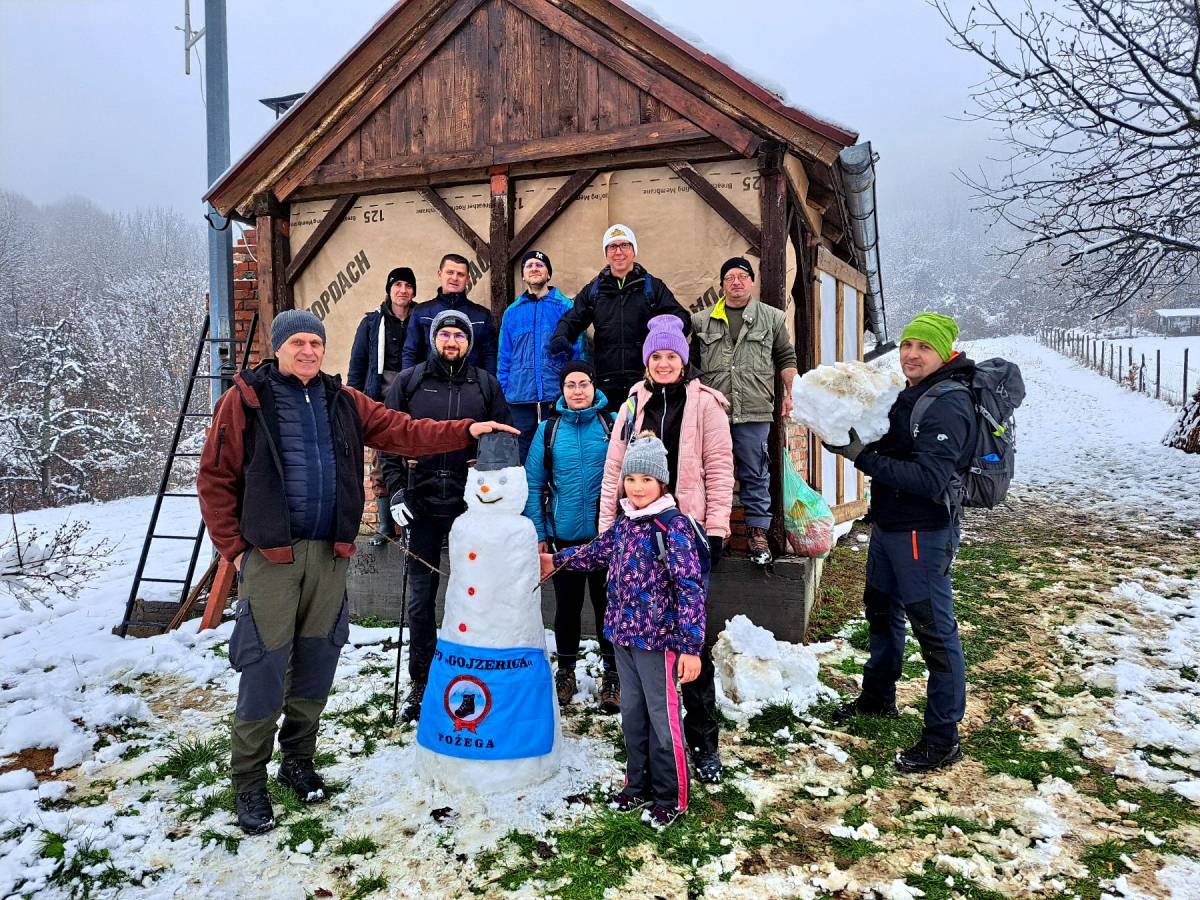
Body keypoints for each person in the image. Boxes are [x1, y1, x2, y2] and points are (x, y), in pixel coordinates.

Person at [197, 308, 516, 836]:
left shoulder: (341, 400)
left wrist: (467, 429)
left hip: (330, 554)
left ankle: (298, 760)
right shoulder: (247, 399)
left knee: (317, 661)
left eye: (315, 343)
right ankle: (249, 782)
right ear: (278, 348)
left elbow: (403, 430)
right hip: (271, 558)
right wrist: (234, 550)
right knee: (264, 667)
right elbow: (215, 477)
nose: (308, 351)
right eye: (297, 343)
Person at [825, 312, 976, 773]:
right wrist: (843, 434)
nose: (911, 354)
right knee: (880, 611)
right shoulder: (912, 393)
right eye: (907, 344)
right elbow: (892, 448)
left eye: (923, 347)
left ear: (944, 353)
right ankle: (877, 697)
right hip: (890, 527)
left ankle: (942, 737)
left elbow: (929, 479)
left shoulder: (949, 404)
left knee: (934, 631)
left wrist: (860, 457)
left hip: (922, 532)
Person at [540, 433, 704, 829]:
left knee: (662, 718)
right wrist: (555, 561)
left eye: (646, 480)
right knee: (632, 714)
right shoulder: (626, 523)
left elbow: (690, 588)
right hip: (623, 637)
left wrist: (690, 647)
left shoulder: (673, 527)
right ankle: (637, 784)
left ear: (661, 483)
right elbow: (595, 552)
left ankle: (670, 796)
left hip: (659, 642)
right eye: (631, 479)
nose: (637, 487)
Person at [598, 315, 734, 785]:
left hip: (685, 533)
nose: (663, 363)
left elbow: (720, 466)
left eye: (671, 356)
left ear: (683, 359)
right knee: (647, 646)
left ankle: (703, 741)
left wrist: (715, 529)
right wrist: (608, 530)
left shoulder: (706, 404)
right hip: (636, 533)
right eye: (655, 356)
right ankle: (654, 743)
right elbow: (615, 470)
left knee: (690, 640)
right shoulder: (632, 404)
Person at [382, 310, 513, 724]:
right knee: (420, 600)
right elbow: (388, 439)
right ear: (434, 339)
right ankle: (422, 679)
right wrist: (395, 490)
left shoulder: (485, 384)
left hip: (469, 507)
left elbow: (502, 445)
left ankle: (473, 669)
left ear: (468, 343)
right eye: (445, 334)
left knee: (475, 594)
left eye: (459, 335)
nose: (452, 341)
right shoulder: (410, 381)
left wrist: (493, 500)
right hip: (420, 504)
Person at [691, 257, 798, 567]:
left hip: (754, 409)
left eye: (742, 276)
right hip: (714, 412)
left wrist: (791, 393)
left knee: (755, 473)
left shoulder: (772, 318)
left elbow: (786, 357)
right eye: (730, 277)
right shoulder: (701, 321)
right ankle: (717, 534)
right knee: (712, 475)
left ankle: (757, 534)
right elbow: (692, 366)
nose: (736, 282)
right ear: (722, 284)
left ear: (752, 282)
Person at [522, 361, 617, 713]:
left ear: (594, 387)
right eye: (570, 385)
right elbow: (533, 484)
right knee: (567, 607)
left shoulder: (612, 425)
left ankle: (613, 675)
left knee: (609, 607)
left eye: (583, 384)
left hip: (607, 538)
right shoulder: (548, 430)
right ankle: (565, 672)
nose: (578, 391)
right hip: (565, 538)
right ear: (562, 390)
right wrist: (540, 532)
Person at [549, 224, 690, 413]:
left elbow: (680, 317)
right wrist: (561, 335)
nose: (618, 252)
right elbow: (573, 318)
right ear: (606, 253)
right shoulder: (594, 290)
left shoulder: (652, 287)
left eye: (624, 245)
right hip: (606, 381)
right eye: (612, 247)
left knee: (645, 429)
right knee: (612, 430)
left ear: (634, 251)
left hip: (644, 378)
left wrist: (665, 332)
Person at [348, 266, 417, 544]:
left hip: (413, 396)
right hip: (381, 397)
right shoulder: (371, 323)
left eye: (408, 286)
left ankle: (413, 526)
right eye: (397, 284)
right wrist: (353, 402)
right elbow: (357, 365)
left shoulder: (421, 319)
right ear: (389, 289)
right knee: (381, 462)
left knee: (414, 460)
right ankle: (387, 527)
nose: (403, 290)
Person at [498, 250, 587, 461]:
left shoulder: (566, 307)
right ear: (523, 275)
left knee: (559, 458)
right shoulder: (512, 312)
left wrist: (577, 389)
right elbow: (504, 357)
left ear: (548, 274)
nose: (534, 269)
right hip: (519, 401)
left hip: (556, 398)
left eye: (540, 265)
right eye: (529, 266)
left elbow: (579, 354)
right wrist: (504, 391)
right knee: (521, 461)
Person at [402, 253, 498, 374]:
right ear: (440, 274)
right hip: (430, 382)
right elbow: (410, 352)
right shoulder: (421, 312)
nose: (455, 278)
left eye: (460, 274)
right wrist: (408, 382)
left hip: (470, 383)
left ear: (468, 279)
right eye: (450, 272)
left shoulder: (482, 316)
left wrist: (488, 383)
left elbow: (489, 355)